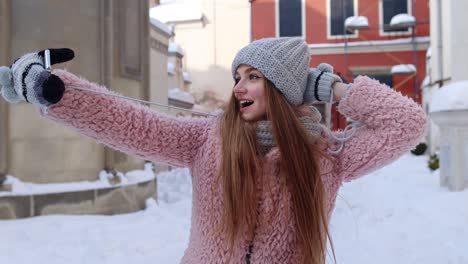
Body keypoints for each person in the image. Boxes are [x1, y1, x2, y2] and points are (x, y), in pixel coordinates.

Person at [0, 38, 427, 264]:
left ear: (284, 89)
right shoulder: (207, 139)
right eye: (238, 75)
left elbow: (407, 124)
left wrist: (333, 88)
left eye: (254, 76)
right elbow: (127, 122)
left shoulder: (327, 157)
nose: (238, 87)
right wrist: (53, 93)